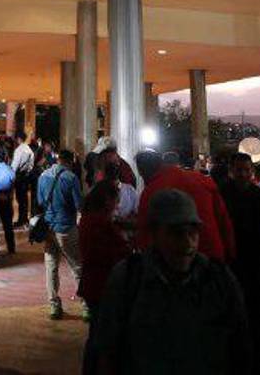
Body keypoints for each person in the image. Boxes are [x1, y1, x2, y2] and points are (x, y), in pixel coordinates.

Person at [95, 188, 248, 374]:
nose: (188, 243)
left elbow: (240, 345)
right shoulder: (129, 279)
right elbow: (105, 349)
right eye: (176, 233)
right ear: (154, 233)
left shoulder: (218, 279)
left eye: (193, 232)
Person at [218, 152, 260, 375]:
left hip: (254, 262)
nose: (242, 174)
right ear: (231, 171)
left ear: (252, 172)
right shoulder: (221, 194)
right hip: (231, 261)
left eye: (246, 170)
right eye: (238, 170)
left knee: (253, 314)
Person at [135, 150, 235, 262]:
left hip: (175, 262)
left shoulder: (151, 191)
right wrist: (230, 253)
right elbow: (224, 221)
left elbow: (144, 235)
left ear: (142, 171)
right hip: (213, 255)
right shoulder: (201, 179)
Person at [77, 180, 131, 375]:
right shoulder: (97, 221)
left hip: (96, 283)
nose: (118, 204)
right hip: (100, 284)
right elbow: (102, 253)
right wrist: (125, 247)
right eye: (116, 199)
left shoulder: (92, 218)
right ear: (107, 199)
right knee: (100, 335)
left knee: (97, 332)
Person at [37, 148, 83, 319]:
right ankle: (86, 305)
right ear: (71, 161)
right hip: (66, 227)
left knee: (51, 267)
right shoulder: (71, 178)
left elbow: (41, 201)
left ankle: (54, 305)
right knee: (77, 266)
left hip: (48, 228)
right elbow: (79, 204)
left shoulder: (43, 176)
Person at [11, 133, 36, 226]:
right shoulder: (29, 150)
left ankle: (21, 220)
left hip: (19, 176)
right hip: (26, 176)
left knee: (19, 198)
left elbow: (14, 165)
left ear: (18, 139)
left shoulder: (19, 150)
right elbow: (31, 165)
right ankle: (25, 218)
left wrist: (12, 175)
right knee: (24, 199)